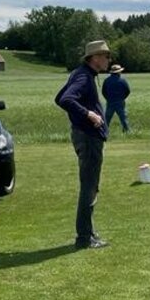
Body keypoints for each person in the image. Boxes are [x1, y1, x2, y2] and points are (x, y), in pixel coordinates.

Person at [55, 40, 112, 250]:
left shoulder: (81, 74)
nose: (108, 60)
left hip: (86, 136)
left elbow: (59, 98)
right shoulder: (84, 77)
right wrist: (89, 114)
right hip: (88, 138)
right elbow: (66, 100)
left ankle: (88, 234)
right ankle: (84, 238)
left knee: (90, 185)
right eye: (105, 56)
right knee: (89, 187)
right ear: (94, 58)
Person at [101, 64, 131, 133]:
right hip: (120, 101)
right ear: (118, 72)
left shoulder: (107, 80)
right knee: (123, 118)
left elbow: (103, 91)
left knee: (107, 118)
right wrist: (122, 98)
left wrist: (108, 98)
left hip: (110, 101)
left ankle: (104, 131)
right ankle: (127, 131)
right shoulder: (122, 80)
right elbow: (127, 91)